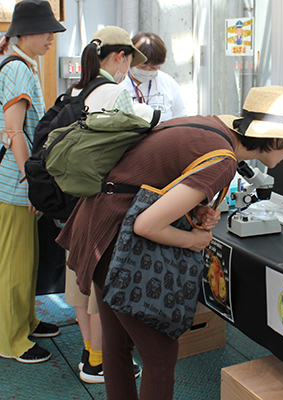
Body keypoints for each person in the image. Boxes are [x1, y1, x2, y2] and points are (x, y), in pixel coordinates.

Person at [56, 85, 283, 399]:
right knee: (159, 357)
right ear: (277, 139)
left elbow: (151, 177)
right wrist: (193, 239)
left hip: (98, 225)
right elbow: (146, 225)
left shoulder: (211, 128)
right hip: (118, 240)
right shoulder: (223, 161)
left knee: (117, 346)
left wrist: (195, 207)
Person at [62, 25, 146, 383]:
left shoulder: (77, 88)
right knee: (99, 287)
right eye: (129, 60)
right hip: (106, 200)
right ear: (120, 56)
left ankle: (87, 352)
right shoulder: (114, 92)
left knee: (77, 279)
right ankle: (97, 363)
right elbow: (131, 150)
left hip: (73, 198)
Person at [0, 0, 65, 364]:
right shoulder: (20, 69)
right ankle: (11, 339)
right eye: (45, 31)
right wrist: (32, 182)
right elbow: (15, 132)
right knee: (15, 262)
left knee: (27, 258)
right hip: (13, 183)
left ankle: (26, 321)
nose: (51, 38)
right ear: (24, 32)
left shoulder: (19, 63)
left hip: (13, 180)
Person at [119, 31, 187, 122]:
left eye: (153, 67)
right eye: (142, 66)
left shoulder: (168, 83)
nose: (147, 70)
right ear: (130, 59)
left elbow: (181, 116)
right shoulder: (118, 83)